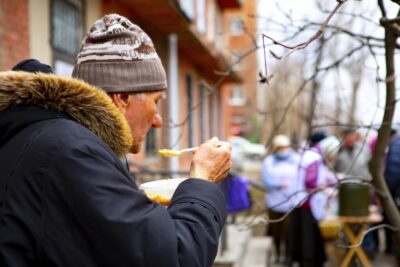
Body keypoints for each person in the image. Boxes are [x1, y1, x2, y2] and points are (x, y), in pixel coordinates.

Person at [0, 14, 232, 267]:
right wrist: (202, 183)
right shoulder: (72, 152)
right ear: (122, 97)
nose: (158, 121)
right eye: (155, 102)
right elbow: (176, 257)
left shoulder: (52, 138)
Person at [288, 135, 341, 267]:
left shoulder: (311, 155)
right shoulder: (314, 158)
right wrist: (327, 191)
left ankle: (308, 260)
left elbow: (318, 176)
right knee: (308, 238)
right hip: (306, 203)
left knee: (306, 236)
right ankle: (309, 262)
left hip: (301, 202)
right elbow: (310, 183)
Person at [261, 134, 301, 264]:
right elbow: (267, 180)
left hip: (291, 202)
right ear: (276, 148)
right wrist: (278, 184)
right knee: (276, 231)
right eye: (280, 148)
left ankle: (289, 256)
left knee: (289, 231)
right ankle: (278, 253)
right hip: (274, 201)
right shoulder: (269, 161)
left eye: (285, 147)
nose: (283, 150)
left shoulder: (296, 159)